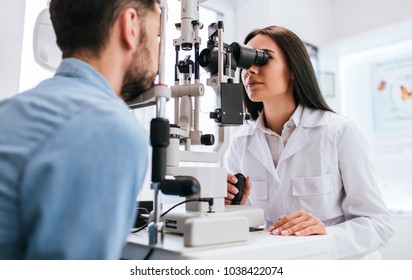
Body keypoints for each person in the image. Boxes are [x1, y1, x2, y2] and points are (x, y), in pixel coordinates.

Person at [0, 0, 160, 259]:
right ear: (130, 26)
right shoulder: (108, 128)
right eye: (157, 34)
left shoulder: (11, 110)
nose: (158, 49)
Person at [225, 25, 394, 259]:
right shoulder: (240, 143)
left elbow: (378, 225)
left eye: (262, 58)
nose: (250, 70)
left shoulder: (339, 132)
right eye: (246, 62)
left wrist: (325, 235)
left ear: (294, 69)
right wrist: (230, 209)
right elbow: (250, 227)